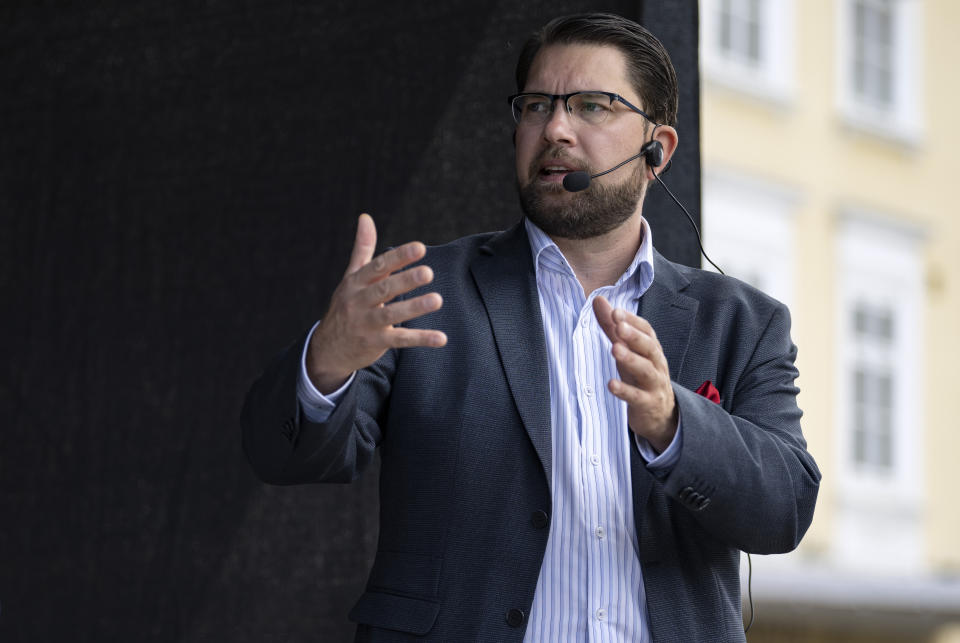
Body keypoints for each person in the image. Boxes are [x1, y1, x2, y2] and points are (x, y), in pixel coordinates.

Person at [242, 12, 820, 643]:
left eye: (592, 106)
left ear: (658, 150)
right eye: (536, 105)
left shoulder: (742, 322)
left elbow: (784, 510)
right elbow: (284, 454)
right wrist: (327, 361)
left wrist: (673, 423)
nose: (556, 129)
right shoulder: (426, 290)